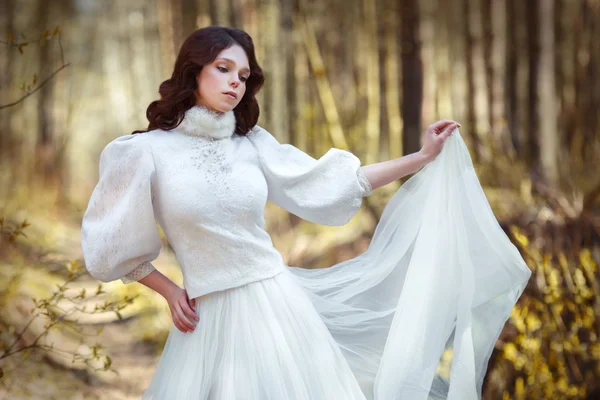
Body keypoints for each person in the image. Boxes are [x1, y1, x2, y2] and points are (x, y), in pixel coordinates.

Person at [80, 26, 531, 400]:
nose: (235, 82)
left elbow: (329, 184)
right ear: (192, 70)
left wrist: (419, 157)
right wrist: (167, 290)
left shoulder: (253, 144)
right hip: (205, 320)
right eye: (223, 69)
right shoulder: (142, 152)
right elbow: (112, 244)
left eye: (243, 74)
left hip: (279, 311)